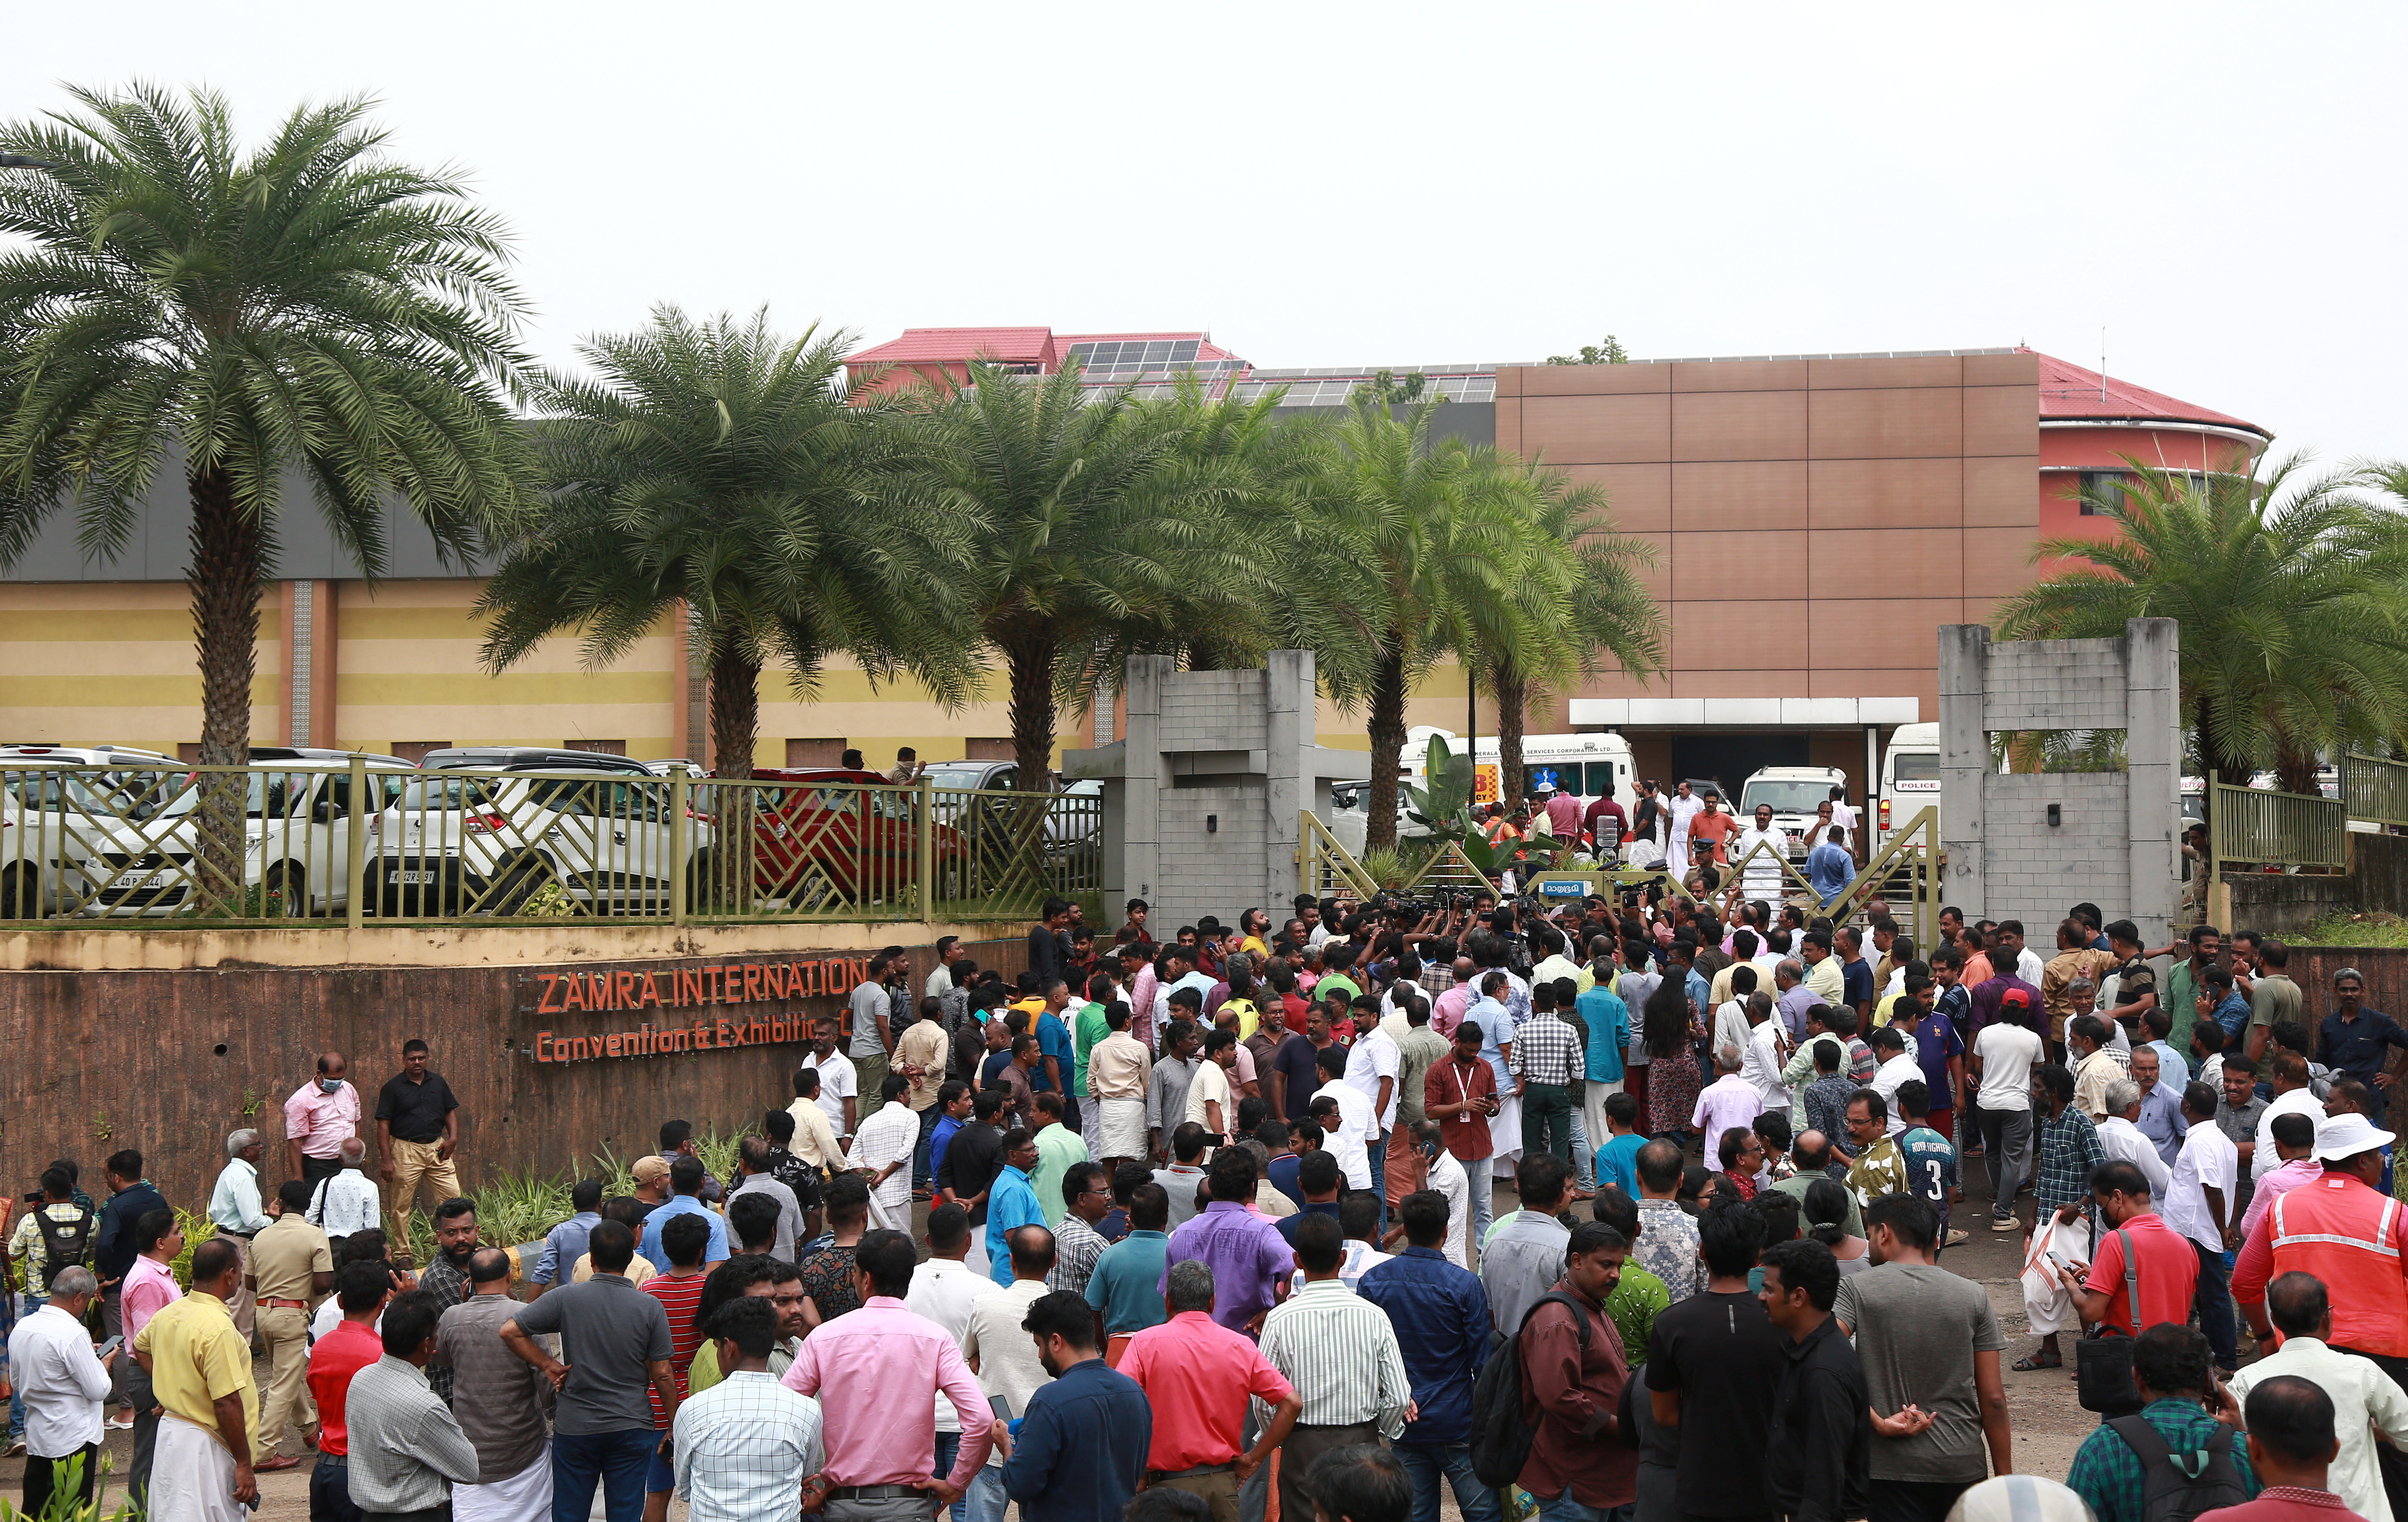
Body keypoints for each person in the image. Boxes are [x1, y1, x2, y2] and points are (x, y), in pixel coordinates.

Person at [784, 1229, 999, 1522]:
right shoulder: (935, 1339)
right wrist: (955, 1484)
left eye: (856, 1273)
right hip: (909, 1506)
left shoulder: (824, 1338)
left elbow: (784, 1412)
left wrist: (814, 1481)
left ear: (867, 1279)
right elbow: (982, 1419)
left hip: (843, 1505)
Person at [1833, 1194, 2011, 1522]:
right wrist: (2005, 1484)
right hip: (1959, 1463)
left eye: (1870, 1233)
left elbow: (1825, 1359)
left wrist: (1875, 1420)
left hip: (1886, 1468)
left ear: (1884, 1233)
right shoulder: (1974, 1296)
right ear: (1936, 1238)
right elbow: (1994, 1399)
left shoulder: (1855, 1289)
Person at [498, 1219, 679, 1522]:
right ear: (632, 1257)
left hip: (577, 1425)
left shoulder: (566, 1297)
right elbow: (662, 1373)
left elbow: (510, 1331)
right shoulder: (649, 1307)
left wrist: (549, 1366)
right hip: (631, 1423)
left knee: (570, 1511)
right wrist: (674, 1423)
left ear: (592, 1259)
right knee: (625, 1511)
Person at [1118, 1260, 1301, 1522]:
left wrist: (1136, 1467)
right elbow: (1292, 1403)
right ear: (1213, 1302)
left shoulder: (1144, 1343)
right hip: (1222, 1487)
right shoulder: (1241, 1347)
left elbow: (1122, 1408)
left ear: (1168, 1301)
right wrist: (1255, 1459)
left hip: (1166, 1495)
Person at [1261, 1212, 1412, 1522]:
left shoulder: (1279, 1319)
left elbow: (1263, 1400)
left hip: (1300, 1444)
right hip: (1362, 1441)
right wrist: (1380, 1431)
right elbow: (1398, 1396)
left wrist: (1280, 1435)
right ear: (1342, 1258)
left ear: (1297, 1260)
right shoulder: (1374, 1316)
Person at [1356, 1189, 1496, 1522]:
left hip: (1404, 1422)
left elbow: (1368, 1355)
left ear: (1404, 1228)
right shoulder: (1464, 1285)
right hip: (1457, 1421)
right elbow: (1482, 1361)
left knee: (1415, 1515)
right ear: (1446, 1231)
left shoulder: (1373, 1281)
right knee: (1484, 1515)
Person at [2227, 1272, 2408, 1522]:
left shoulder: (2246, 1380)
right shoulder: (2363, 1372)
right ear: (2327, 1317)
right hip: (2362, 1513)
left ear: (2274, 1320)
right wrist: (2383, 1435)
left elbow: (2232, 1446)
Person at [1646, 1202, 1787, 1522]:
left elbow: (1664, 1414)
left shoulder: (1672, 1324)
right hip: (1770, 1486)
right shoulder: (1784, 1323)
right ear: (1757, 1258)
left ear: (1703, 1251)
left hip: (1702, 1487)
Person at [2065, 1324, 2257, 1522]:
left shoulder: (2102, 1448)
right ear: (2210, 1381)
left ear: (2137, 1379)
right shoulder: (2247, 1451)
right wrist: (2240, 1431)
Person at [1511, 1219, 1636, 1522]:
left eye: (1619, 1266)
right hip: (1573, 1481)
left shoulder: (1591, 1305)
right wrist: (1620, 1426)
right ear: (1577, 1261)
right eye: (1606, 1264)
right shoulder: (1557, 1319)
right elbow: (1560, 1397)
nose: (1615, 1275)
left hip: (1600, 1476)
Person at [134, 1237, 260, 1520]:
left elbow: (140, 1348)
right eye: (240, 1270)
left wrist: (173, 1391)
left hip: (173, 1435)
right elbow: (227, 1402)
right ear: (229, 1274)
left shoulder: (169, 1313)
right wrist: (244, 1464)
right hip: (207, 1447)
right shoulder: (219, 1329)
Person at [999, 1289, 1152, 1522]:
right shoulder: (1135, 1393)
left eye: (1040, 1344)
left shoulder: (1049, 1401)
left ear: (1056, 1342)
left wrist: (1006, 1447)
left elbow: (1021, 1486)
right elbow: (1136, 1470)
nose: (1040, 1355)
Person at [672, 1297, 824, 1522]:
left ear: (729, 1348)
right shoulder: (806, 1409)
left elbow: (685, 1487)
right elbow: (805, 1475)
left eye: (717, 1347)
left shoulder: (692, 1410)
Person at [436, 1247, 553, 1522]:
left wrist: (463, 1305)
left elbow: (441, 1359)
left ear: (471, 1281)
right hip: (524, 1448)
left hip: (472, 1451)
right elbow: (545, 1380)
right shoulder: (525, 1316)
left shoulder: (451, 1318)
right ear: (510, 1277)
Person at [1759, 1238, 1871, 1522]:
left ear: (1798, 1297)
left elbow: (1825, 1480)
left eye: (1769, 1289)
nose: (1761, 1297)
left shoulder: (1823, 1373)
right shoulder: (1804, 1350)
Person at [344, 1288, 481, 1518]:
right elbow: (468, 1469)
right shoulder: (423, 1405)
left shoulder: (361, 1379)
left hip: (368, 1514)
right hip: (416, 1515)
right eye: (436, 1332)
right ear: (426, 1344)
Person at [962, 1225, 1059, 1522]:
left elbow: (969, 1355)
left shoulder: (985, 1305)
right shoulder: (1064, 1311)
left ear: (1011, 1261)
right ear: (1054, 1262)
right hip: (1047, 1442)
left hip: (994, 1439)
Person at [2017, 1062, 2104, 1372]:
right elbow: (2045, 1176)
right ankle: (2049, 1352)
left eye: (2037, 1088)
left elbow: (2100, 1170)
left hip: (2073, 1222)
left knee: (2077, 1284)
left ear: (2052, 1093)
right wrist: (2032, 1216)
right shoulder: (2049, 1124)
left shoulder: (2081, 1123)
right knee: (2039, 1284)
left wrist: (2080, 1207)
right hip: (2046, 1218)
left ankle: (2092, 1359)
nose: (2033, 1093)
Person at [9, 1264, 113, 1515]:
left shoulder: (23, 1326)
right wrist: (104, 1364)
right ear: (79, 1298)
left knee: (35, 1508)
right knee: (70, 1509)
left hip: (38, 1434)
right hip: (72, 1436)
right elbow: (98, 1389)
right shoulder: (73, 1333)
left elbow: (16, 1382)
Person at [250, 1177, 333, 1472]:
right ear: (309, 1205)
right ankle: (263, 1452)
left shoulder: (261, 1236)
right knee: (283, 1383)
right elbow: (324, 1283)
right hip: (293, 1314)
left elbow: (250, 1282)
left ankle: (309, 1429)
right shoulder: (314, 1235)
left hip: (264, 1314)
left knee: (286, 1374)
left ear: (281, 1203)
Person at [1163, 1151, 1294, 1333]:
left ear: (1210, 1185)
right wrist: (1276, 1312)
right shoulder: (1262, 1234)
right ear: (1252, 1189)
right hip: (1246, 1349)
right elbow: (1298, 1274)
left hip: (1191, 1348)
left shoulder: (1182, 1234)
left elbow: (1169, 1299)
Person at [2164, 1082, 2243, 1374]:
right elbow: (2233, 1184)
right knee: (2207, 1295)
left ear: (2187, 1107)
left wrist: (2224, 1227)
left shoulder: (2200, 1141)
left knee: (2213, 1296)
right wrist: (2230, 1224)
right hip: (2202, 1228)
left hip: (2197, 1230)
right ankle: (2211, 1355)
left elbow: (2214, 1187)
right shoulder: (2222, 1140)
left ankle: (2224, 1359)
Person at [309, 1259, 392, 1522]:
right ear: (383, 1302)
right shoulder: (381, 1355)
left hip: (324, 1470)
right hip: (362, 1473)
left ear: (341, 1301)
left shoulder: (321, 1348)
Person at [1425, 1022, 1500, 1250]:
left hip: (1482, 1148)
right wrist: (1462, 1106)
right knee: (1449, 1208)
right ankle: (1445, 1255)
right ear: (1457, 1043)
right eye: (1469, 1050)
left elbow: (1496, 1105)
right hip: (1454, 1151)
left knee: (1484, 1207)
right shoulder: (1438, 1070)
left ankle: (1484, 1257)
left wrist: (1491, 1108)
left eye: (1477, 1050)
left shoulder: (1485, 1067)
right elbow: (1431, 1110)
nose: (1473, 1054)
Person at [1483, 1154, 1574, 1336]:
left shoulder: (1494, 1242)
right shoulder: (1564, 1246)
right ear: (1559, 1196)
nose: (1573, 1194)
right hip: (1551, 1354)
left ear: (1520, 1193)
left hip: (1507, 1354)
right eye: (1568, 1189)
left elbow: (1490, 1313)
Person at [202, 1129, 270, 1343]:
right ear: (245, 1151)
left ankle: (243, 1345)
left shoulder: (232, 1172)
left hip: (228, 1237)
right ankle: (222, 1346)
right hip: (238, 1241)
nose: (261, 1147)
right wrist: (272, 1223)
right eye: (257, 1144)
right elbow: (251, 1220)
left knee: (246, 1297)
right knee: (235, 1297)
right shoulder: (242, 1177)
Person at [285, 1051, 363, 1191]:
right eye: (332, 1080)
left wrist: (358, 1157)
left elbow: (356, 1122)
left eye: (341, 1079)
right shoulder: (300, 1101)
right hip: (319, 1167)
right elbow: (295, 1141)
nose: (337, 1083)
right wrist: (298, 1178)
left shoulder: (349, 1089)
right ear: (319, 1073)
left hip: (349, 1163)